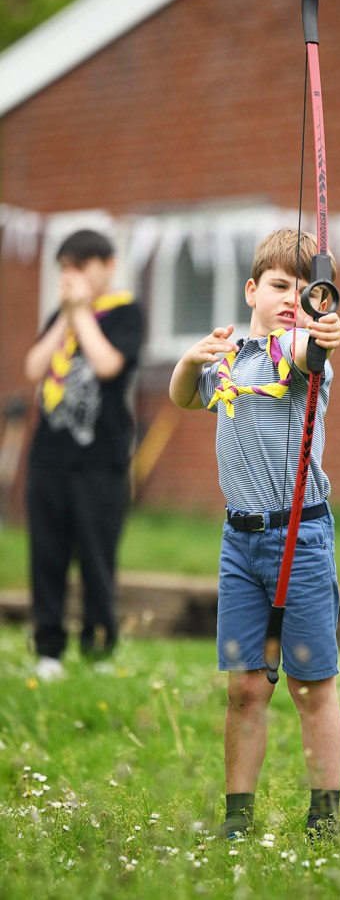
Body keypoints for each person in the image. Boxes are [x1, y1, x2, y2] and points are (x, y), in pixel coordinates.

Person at [169, 227, 340, 840]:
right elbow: (187, 399)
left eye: (306, 289)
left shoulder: (298, 352)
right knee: (245, 688)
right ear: (251, 289)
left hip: (300, 539)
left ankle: (324, 818)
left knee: (309, 685)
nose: (290, 297)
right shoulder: (233, 357)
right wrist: (191, 360)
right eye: (278, 285)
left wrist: (323, 332)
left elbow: (305, 354)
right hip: (240, 545)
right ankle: (237, 821)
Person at [24, 229, 143, 681]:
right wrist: (65, 317)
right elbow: (34, 368)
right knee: (47, 555)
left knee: (96, 558)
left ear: (107, 265)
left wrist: (83, 315)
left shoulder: (125, 313)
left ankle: (98, 647)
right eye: (65, 268)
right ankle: (48, 649)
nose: (72, 276)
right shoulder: (63, 315)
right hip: (49, 459)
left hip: (101, 461)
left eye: (81, 266)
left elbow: (108, 364)